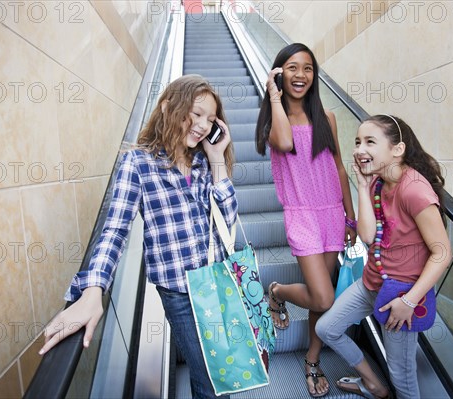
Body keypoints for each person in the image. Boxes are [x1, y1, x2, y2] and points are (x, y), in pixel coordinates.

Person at [39, 75, 238, 399]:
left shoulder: (203, 161)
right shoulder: (138, 163)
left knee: (222, 372)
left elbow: (227, 222)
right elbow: (114, 230)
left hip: (216, 280)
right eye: (196, 113)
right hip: (180, 293)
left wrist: (217, 160)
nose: (203, 125)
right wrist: (93, 291)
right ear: (168, 106)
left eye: (211, 119)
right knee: (211, 380)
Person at [315, 114, 452, 398]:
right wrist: (363, 188)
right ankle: (374, 384)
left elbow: (442, 252)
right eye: (357, 142)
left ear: (397, 149)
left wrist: (409, 301)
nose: (358, 149)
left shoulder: (414, 189)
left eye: (369, 142)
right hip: (371, 283)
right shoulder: (378, 183)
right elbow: (366, 236)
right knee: (327, 328)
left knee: (402, 378)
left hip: (400, 296)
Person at [255, 43, 357, 397]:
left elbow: (339, 167)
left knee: (320, 296)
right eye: (293, 68)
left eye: (308, 68)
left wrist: (351, 216)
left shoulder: (327, 117)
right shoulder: (274, 119)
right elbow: (284, 141)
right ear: (279, 72)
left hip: (332, 214)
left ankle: (312, 360)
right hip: (301, 216)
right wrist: (273, 94)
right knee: (324, 298)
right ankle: (278, 291)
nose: (301, 75)